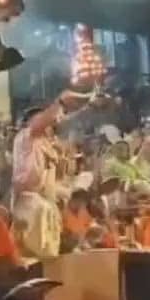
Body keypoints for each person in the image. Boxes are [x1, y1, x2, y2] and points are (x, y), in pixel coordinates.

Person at [11, 90, 97, 259]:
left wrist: (86, 107)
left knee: (51, 255)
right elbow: (47, 120)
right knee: (34, 255)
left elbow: (64, 122)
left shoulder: (51, 147)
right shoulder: (26, 137)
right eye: (40, 118)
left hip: (48, 203)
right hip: (29, 203)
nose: (48, 123)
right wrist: (62, 101)